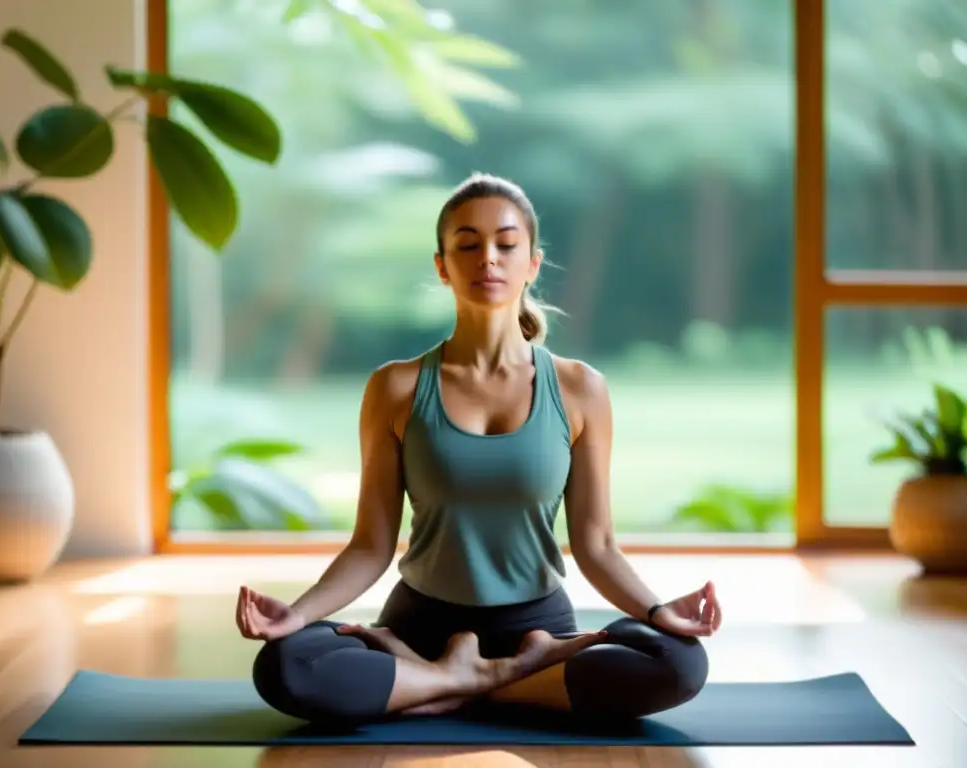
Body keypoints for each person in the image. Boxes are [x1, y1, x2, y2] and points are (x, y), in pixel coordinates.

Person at [235, 172, 722, 727]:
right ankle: (490, 681)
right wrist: (295, 615)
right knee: (285, 664)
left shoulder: (580, 389)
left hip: (539, 628)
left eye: (506, 244)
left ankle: (445, 683)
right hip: (419, 626)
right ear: (443, 266)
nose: (488, 257)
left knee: (677, 661)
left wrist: (660, 612)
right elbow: (371, 545)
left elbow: (597, 545)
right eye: (467, 245)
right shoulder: (394, 388)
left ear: (532, 263)